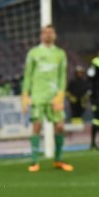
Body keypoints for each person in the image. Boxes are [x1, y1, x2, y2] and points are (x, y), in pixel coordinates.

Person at [21, 24, 71, 172]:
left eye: (51, 32)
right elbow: (28, 75)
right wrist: (25, 95)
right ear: (41, 35)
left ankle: (58, 160)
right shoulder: (33, 53)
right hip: (38, 96)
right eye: (45, 32)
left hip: (54, 97)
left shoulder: (60, 54)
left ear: (55, 35)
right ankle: (34, 161)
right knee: (37, 125)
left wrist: (60, 95)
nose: (48, 35)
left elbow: (62, 76)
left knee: (60, 126)